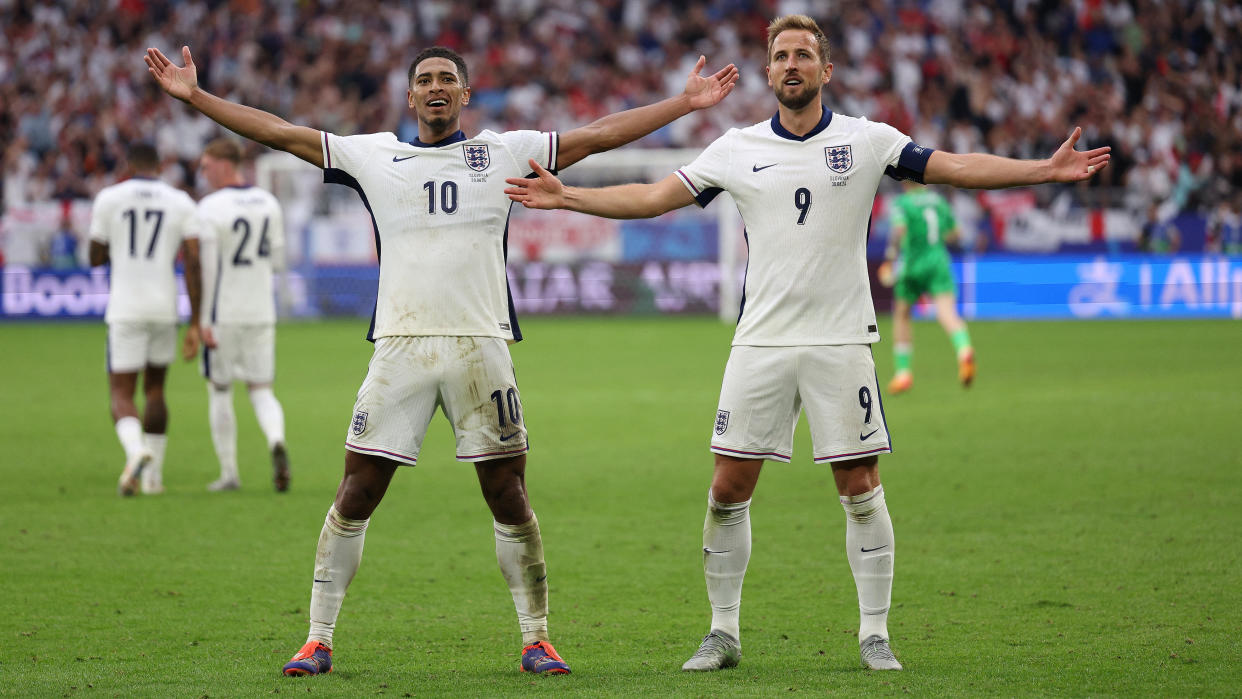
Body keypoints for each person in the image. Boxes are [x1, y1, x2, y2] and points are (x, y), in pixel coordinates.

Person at [505, 14, 1109, 673]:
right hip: (760, 343)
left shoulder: (869, 140)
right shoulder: (734, 148)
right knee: (728, 486)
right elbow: (654, 195)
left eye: (803, 55)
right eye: (780, 56)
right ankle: (722, 631)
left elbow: (954, 166)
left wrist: (1041, 172)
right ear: (768, 73)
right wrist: (570, 197)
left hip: (841, 341)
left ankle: (874, 632)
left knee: (860, 484)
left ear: (827, 71)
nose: (791, 65)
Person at [145, 42, 738, 677]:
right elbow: (281, 134)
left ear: (464, 95)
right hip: (400, 348)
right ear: (409, 97)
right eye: (424, 79)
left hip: (481, 347)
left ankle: (536, 638)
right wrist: (197, 98)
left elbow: (595, 136)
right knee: (357, 492)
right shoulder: (374, 154)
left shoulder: (506, 151)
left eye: (446, 80)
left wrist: (684, 102)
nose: (435, 87)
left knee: (508, 492)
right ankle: (318, 638)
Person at [88, 142, 203, 496]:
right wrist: (196, 320)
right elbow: (194, 261)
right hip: (164, 307)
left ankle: (136, 451)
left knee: (121, 393)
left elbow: (94, 256)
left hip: (125, 307)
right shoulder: (180, 201)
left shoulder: (109, 198)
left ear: (127, 164)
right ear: (160, 166)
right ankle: (153, 480)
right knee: (156, 389)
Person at [195, 137, 291, 493]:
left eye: (206, 167)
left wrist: (202, 319)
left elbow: (207, 268)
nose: (203, 175)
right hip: (261, 311)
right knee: (262, 389)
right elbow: (279, 262)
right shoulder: (269, 202)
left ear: (223, 163)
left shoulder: (209, 208)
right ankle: (276, 439)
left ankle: (229, 473)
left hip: (224, 314)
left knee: (220, 390)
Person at [879, 182, 974, 395]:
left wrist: (890, 259)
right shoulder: (938, 201)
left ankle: (903, 373)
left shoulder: (902, 203)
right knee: (947, 313)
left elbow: (899, 230)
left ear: (904, 181)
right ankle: (964, 350)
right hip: (938, 261)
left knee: (902, 315)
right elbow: (956, 234)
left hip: (912, 263)